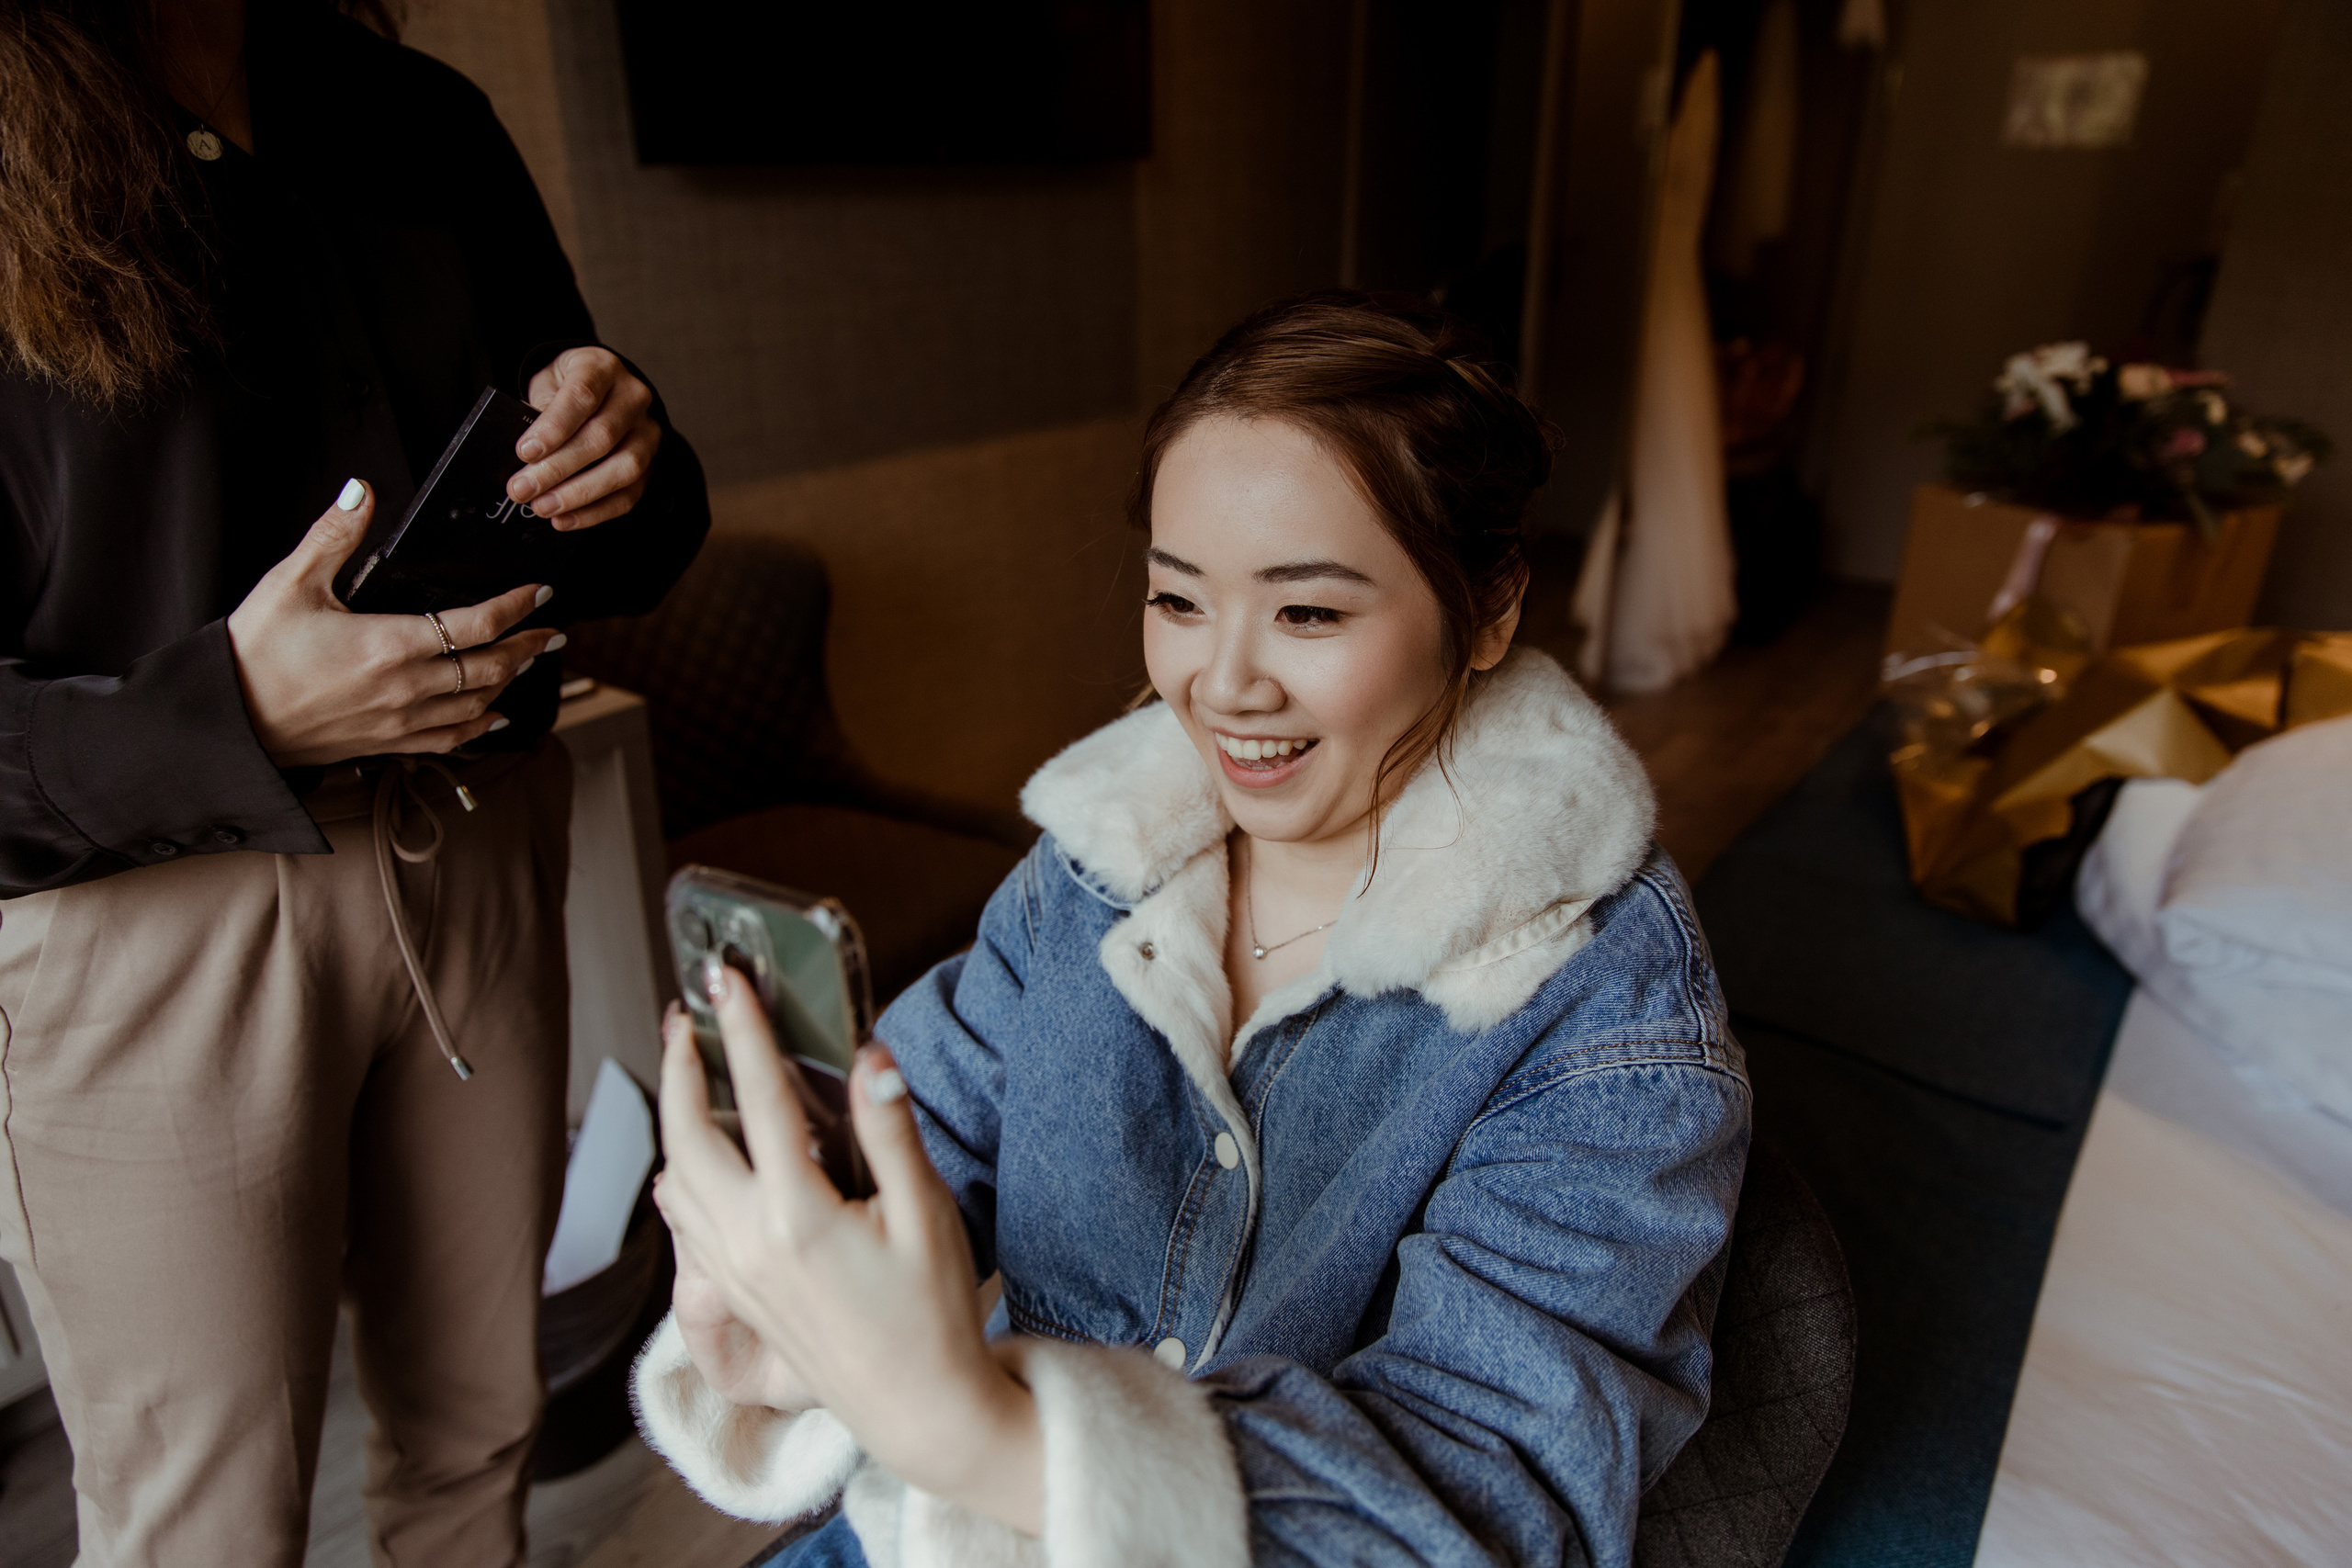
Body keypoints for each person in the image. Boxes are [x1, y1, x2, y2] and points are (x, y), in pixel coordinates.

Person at [635, 293, 1748, 1566]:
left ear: (1488, 608)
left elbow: (1497, 1493)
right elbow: (929, 1132)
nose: (1222, 685)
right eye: (1178, 601)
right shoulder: (1095, 871)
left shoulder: (1602, 1005)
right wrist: (793, 1307)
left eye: (1309, 613)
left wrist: (981, 1438)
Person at [0, 2, 707, 1562]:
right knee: (208, 1525)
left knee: (477, 1439)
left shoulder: (417, 117)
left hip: (475, 845)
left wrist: (626, 454)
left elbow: (620, 522)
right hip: (152, 926)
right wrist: (229, 706)